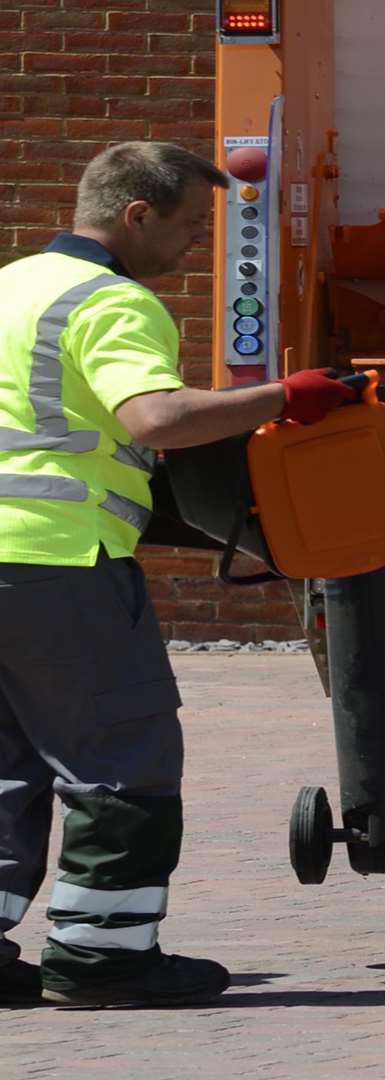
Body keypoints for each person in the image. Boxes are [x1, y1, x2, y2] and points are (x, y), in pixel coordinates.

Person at [0, 142, 359, 1007]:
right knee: (123, 758)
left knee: (8, 768)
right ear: (137, 214)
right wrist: (289, 395)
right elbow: (154, 418)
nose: (195, 247)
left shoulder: (11, 286)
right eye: (192, 226)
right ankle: (104, 959)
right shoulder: (111, 302)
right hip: (60, 564)